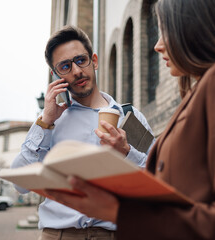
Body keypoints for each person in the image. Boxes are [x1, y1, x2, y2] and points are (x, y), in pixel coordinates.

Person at [44, 0, 215, 239]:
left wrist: (118, 211)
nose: (157, 45)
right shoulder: (202, 90)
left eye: (164, 30)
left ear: (194, 28)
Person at [11, 26, 154, 240]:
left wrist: (127, 152)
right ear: (56, 75)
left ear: (94, 61)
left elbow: (157, 180)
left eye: (81, 60)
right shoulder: (50, 121)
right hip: (59, 235)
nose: (77, 71)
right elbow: (20, 184)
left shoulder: (129, 117)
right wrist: (45, 122)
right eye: (65, 66)